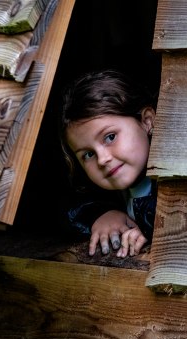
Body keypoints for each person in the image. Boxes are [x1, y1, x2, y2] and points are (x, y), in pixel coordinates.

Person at [59, 69, 157, 258]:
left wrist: (150, 234)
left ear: (147, 121)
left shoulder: (177, 184)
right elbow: (67, 206)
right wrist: (102, 214)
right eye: (88, 154)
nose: (102, 159)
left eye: (110, 137)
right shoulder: (105, 193)